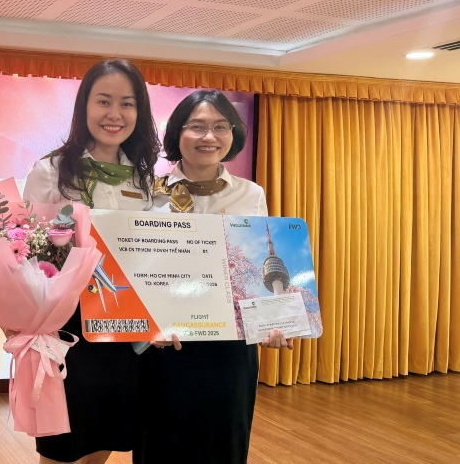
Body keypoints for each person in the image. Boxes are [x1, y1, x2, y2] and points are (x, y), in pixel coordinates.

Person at [138, 89, 293, 464]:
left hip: (229, 346)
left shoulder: (250, 194)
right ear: (177, 133)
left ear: (232, 134)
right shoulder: (146, 192)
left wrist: (273, 321)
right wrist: (143, 325)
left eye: (221, 127)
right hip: (165, 342)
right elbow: (136, 266)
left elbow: (255, 264)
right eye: (197, 126)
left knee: (224, 445)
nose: (209, 136)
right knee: (160, 447)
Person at [19, 59, 161, 464]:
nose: (115, 114)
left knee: (104, 439)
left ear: (139, 111)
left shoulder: (143, 177)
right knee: (62, 447)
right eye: (104, 101)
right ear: (84, 106)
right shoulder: (52, 170)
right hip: (69, 327)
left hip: (126, 327)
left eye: (127, 103)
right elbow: (28, 251)